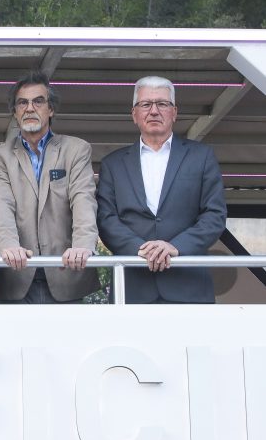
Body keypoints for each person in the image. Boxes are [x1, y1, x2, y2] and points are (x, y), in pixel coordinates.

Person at [97, 76, 227, 303]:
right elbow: (106, 219)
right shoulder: (112, 164)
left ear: (174, 112)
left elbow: (214, 215)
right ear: (134, 114)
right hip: (132, 287)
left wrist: (175, 247)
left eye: (162, 104)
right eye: (146, 104)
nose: (154, 111)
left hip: (189, 286)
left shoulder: (201, 157)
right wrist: (141, 250)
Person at [0, 71, 99, 303]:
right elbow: (1, 206)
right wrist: (8, 248)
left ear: (51, 109)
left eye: (38, 101)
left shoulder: (76, 150)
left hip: (68, 273)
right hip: (16, 276)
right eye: (22, 103)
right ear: (15, 113)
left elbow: (83, 200)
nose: (29, 108)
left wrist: (83, 247)